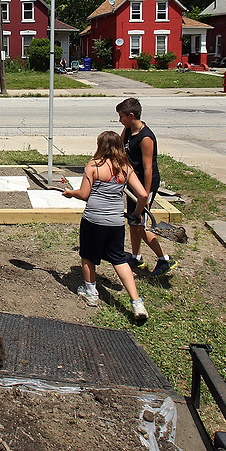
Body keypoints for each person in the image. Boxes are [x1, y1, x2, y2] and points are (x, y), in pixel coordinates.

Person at [62, 130, 150, 321]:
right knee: (119, 259)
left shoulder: (93, 166)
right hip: (116, 222)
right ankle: (136, 303)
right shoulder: (126, 168)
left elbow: (84, 194)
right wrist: (136, 214)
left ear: (101, 146)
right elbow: (143, 195)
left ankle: (91, 293)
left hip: (93, 220)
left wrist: (70, 193)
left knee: (88, 256)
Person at [116, 97, 174, 278]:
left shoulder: (145, 137)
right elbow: (119, 148)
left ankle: (164, 259)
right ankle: (135, 255)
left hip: (144, 185)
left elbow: (148, 168)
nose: (120, 120)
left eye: (122, 117)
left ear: (132, 115)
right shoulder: (127, 130)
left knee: (140, 224)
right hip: (133, 182)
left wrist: (146, 196)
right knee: (133, 220)